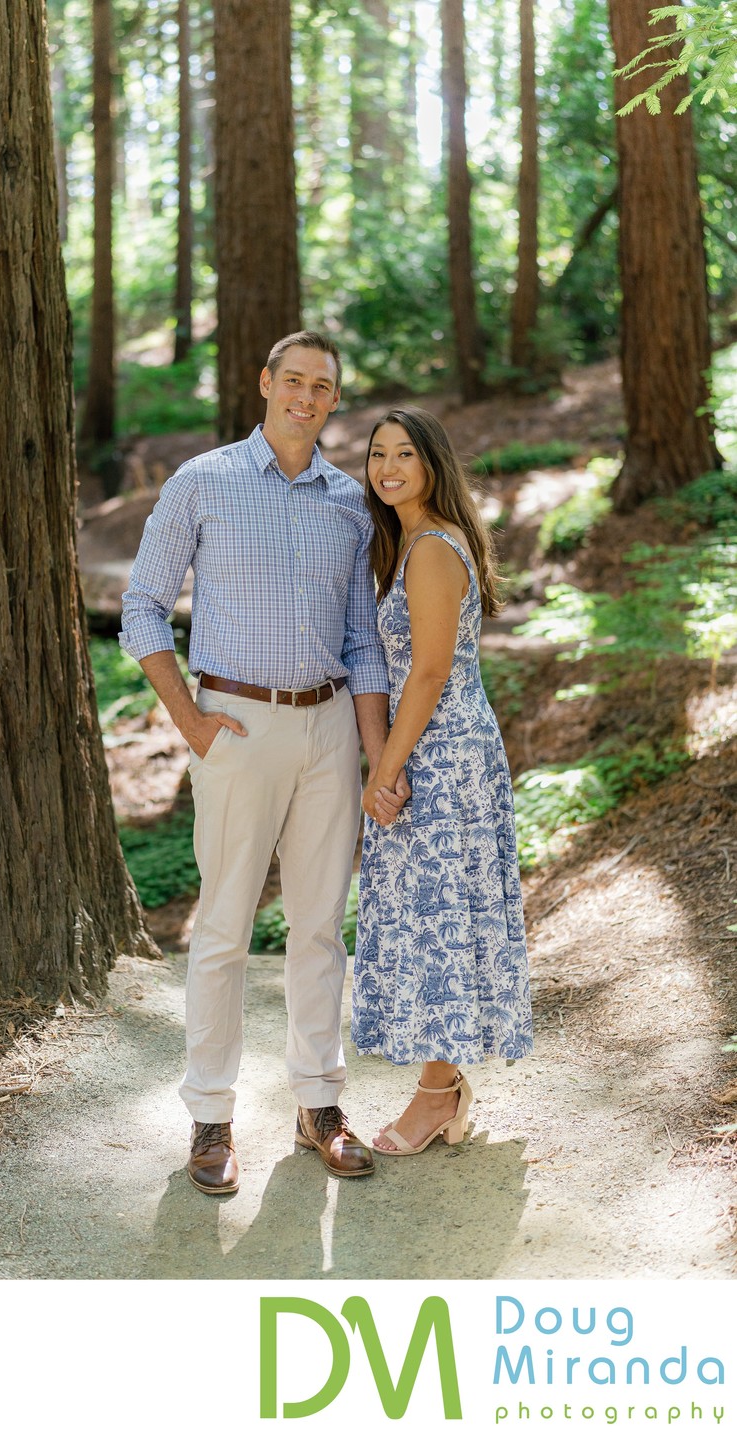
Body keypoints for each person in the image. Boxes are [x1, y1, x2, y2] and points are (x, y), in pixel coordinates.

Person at [120, 331, 408, 1194]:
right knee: (223, 927)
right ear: (265, 383)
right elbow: (142, 606)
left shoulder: (350, 501)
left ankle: (319, 1104)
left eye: (322, 386)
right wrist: (191, 721)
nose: (306, 397)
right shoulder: (201, 481)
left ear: (333, 401)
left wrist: (375, 757)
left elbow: (362, 641)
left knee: (318, 927)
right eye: (294, 380)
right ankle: (210, 1117)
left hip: (329, 729)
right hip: (235, 727)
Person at [351, 407, 533, 1156]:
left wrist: (385, 770)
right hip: (439, 745)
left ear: (432, 464)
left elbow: (428, 672)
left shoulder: (429, 548)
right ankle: (444, 1084)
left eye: (404, 454)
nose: (388, 467)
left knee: (438, 914)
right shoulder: (412, 542)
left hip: (441, 753)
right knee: (436, 914)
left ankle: (435, 1095)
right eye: (377, 454)